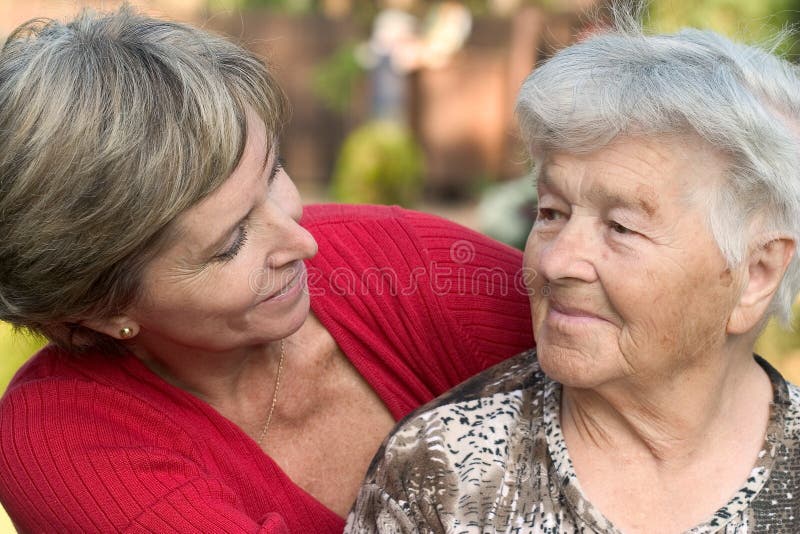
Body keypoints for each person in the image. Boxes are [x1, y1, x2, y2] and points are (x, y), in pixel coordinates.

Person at [0, 7, 534, 532]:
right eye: (231, 242)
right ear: (97, 308)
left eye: (273, 173)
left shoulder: (402, 262)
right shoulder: (67, 442)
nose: (302, 242)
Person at [346, 11, 800, 534]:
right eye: (551, 213)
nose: (555, 262)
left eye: (621, 228)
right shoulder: (446, 469)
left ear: (757, 272)